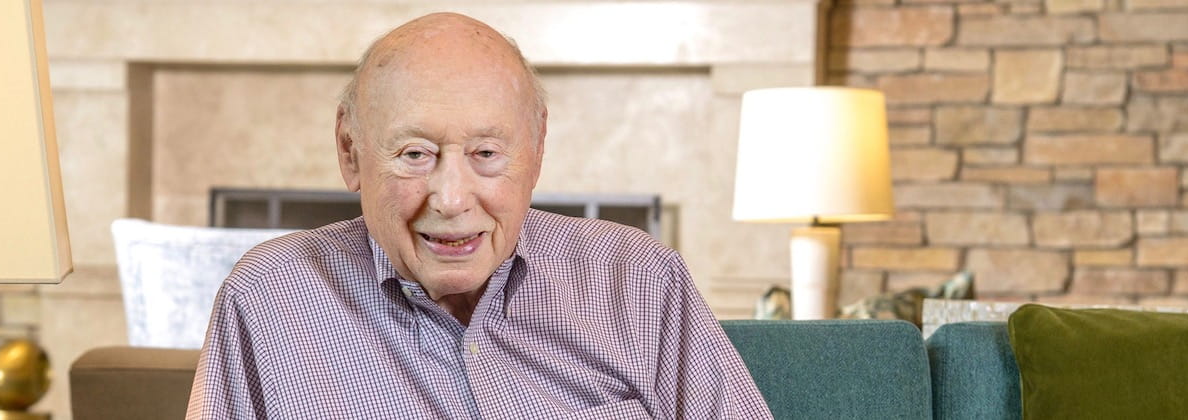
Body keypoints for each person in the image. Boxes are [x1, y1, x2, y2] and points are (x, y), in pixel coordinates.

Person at [186, 12, 773, 419]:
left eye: (486, 155)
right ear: (350, 152)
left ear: (537, 148)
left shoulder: (640, 279)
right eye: (415, 155)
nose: (451, 199)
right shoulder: (269, 297)